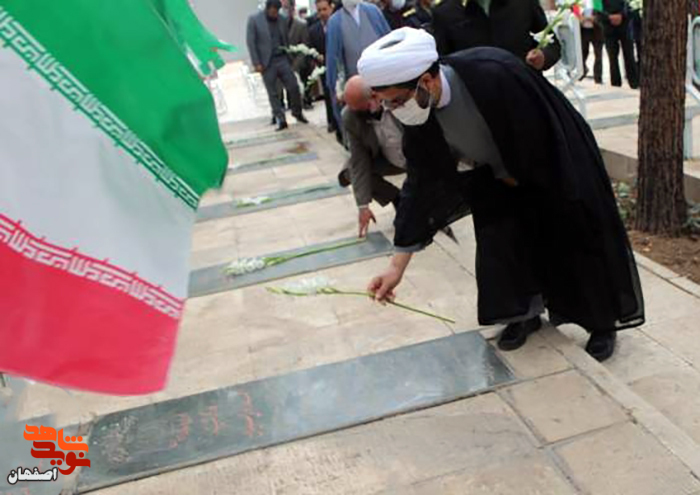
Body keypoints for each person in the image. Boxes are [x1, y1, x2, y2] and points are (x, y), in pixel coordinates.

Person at [359, 28, 645, 361]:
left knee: (574, 236)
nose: (393, 110)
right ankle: (524, 314)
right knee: (500, 244)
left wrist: (516, 178)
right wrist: (396, 267)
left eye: (397, 100)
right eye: (386, 102)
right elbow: (420, 182)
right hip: (495, 175)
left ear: (427, 81)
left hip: (554, 159)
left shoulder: (493, 73)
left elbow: (540, 136)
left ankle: (602, 322)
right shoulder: (419, 114)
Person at [341, 76, 407, 237]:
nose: (358, 114)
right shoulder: (351, 116)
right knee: (350, 171)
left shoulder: (398, 98)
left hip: (416, 155)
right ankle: (397, 198)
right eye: (354, 109)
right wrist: (363, 207)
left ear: (374, 96)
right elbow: (359, 160)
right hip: (389, 160)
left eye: (361, 109)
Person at [431, 0, 561, 72]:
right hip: (476, 102)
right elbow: (442, 64)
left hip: (525, 93)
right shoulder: (445, 12)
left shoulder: (523, 3)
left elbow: (551, 43)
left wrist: (543, 57)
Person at [325, 0, 391, 130]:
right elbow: (334, 62)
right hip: (356, 92)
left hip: (383, 85)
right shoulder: (335, 22)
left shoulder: (373, 12)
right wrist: (339, 90)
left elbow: (389, 42)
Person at [247, 0, 309, 131]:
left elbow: (286, 38)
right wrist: (256, 62)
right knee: (273, 92)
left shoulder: (282, 19)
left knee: (293, 86)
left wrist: (290, 56)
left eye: (277, 12)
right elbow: (251, 42)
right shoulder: (254, 20)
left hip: (282, 58)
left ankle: (297, 112)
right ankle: (280, 118)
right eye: (273, 12)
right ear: (267, 9)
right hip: (267, 62)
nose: (275, 14)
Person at [310, 0, 343, 139]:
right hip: (325, 67)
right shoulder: (314, 30)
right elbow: (311, 49)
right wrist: (318, 58)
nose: (322, 13)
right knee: (329, 94)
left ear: (331, 7)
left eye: (324, 9)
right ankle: (332, 122)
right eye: (319, 10)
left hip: (341, 67)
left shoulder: (341, 24)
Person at [601, 0, 638, 88]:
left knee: (629, 55)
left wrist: (622, 15)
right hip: (608, 28)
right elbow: (596, 8)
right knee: (612, 57)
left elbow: (631, 5)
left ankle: (634, 82)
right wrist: (609, 17)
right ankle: (615, 83)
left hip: (625, 26)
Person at [286, 1, 314, 109]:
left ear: (292, 8)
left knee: (304, 74)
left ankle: (306, 99)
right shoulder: (278, 26)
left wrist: (295, 65)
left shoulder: (301, 25)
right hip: (286, 63)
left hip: (301, 62)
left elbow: (305, 46)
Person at [579, 0, 604, 83]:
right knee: (582, 53)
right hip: (583, 31)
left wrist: (594, 18)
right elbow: (575, 11)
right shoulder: (579, 2)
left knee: (598, 55)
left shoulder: (596, 1)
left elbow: (600, 13)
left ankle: (598, 77)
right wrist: (581, 18)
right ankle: (582, 71)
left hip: (596, 31)